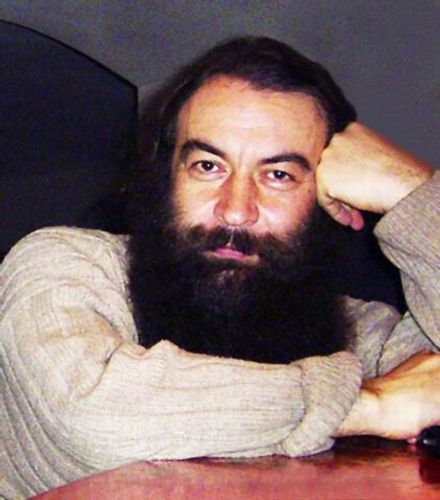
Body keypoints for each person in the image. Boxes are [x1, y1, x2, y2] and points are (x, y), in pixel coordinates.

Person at [0, 36, 438, 498]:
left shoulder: (361, 333)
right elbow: (93, 417)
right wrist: (368, 404)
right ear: (165, 179)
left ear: (331, 202)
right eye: (208, 166)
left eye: (278, 175)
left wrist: (411, 193)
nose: (235, 209)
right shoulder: (61, 267)